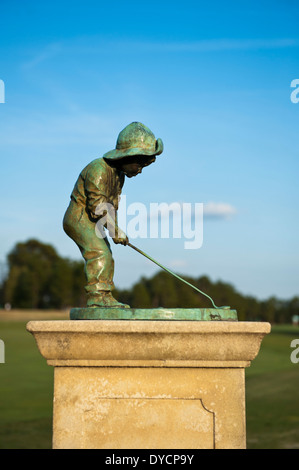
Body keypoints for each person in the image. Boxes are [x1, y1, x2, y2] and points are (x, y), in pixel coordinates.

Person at [63, 122, 163, 307]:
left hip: (94, 219)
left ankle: (104, 295)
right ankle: (97, 298)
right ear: (127, 156)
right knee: (99, 252)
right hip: (78, 217)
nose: (140, 170)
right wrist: (114, 230)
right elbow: (98, 204)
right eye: (139, 164)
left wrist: (114, 227)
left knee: (106, 252)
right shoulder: (98, 169)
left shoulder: (119, 176)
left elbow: (111, 206)